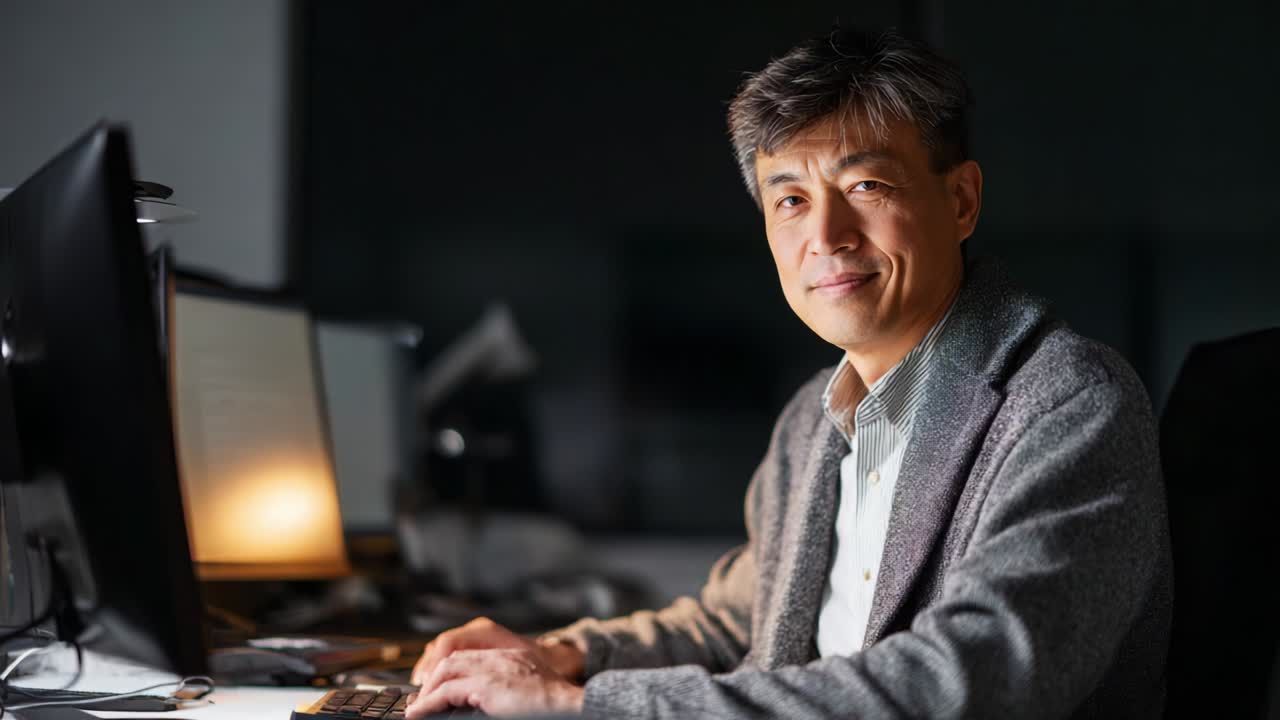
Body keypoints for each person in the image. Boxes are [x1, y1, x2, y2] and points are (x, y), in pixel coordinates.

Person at [405, 26, 1172, 719]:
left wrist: (583, 708)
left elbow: (971, 683)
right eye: (792, 200)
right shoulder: (816, 417)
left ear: (961, 199)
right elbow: (737, 617)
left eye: (867, 186)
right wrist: (559, 654)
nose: (827, 236)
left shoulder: (1068, 405)